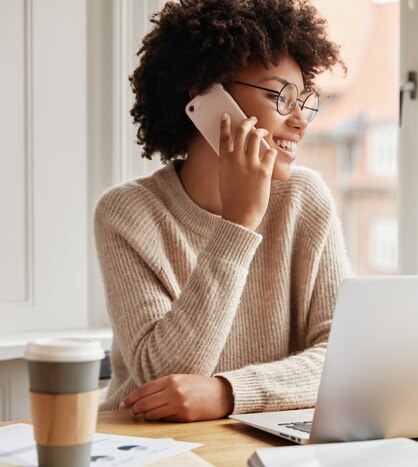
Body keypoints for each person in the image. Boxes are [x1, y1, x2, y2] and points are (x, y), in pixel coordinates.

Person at [94, 0, 351, 422]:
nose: (300, 121)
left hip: (259, 440)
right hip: (149, 445)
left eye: (303, 100)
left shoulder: (305, 200)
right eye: (281, 97)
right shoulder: (127, 213)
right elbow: (164, 383)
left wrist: (229, 393)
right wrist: (239, 225)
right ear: (207, 97)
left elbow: (345, 357)